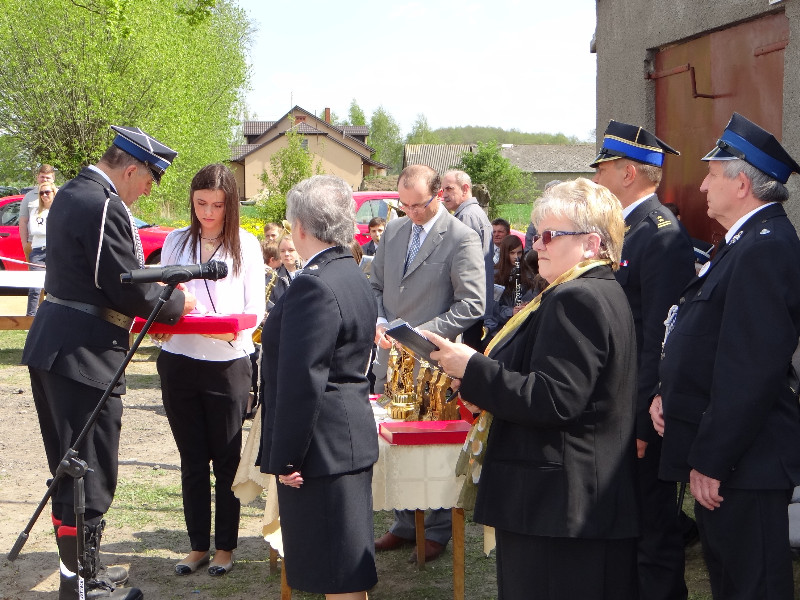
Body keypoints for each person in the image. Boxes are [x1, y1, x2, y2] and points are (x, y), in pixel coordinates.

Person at [427, 178, 639, 600]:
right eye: (537, 234)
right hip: (568, 502)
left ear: (591, 244)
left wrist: (473, 369)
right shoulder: (591, 290)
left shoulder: (576, 298)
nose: (535, 246)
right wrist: (477, 378)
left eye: (549, 235)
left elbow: (553, 399)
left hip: (558, 506)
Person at [22, 125, 196, 600]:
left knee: (71, 468)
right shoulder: (103, 203)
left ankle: (81, 575)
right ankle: (83, 586)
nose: (148, 192)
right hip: (84, 353)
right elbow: (125, 283)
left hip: (60, 345)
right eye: (149, 181)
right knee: (87, 472)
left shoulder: (71, 193)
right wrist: (177, 302)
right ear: (132, 169)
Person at [650, 113, 800, 600]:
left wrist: (712, 461)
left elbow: (749, 371)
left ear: (741, 184)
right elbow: (703, 341)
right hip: (734, 460)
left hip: (744, 463)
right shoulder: (741, 245)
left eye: (712, 174)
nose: (702, 185)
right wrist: (666, 393)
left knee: (753, 586)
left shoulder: (765, 249)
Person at [257, 175, 379, 599]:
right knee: (344, 568)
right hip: (343, 439)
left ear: (299, 227)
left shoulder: (314, 282)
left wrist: (287, 456)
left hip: (320, 449)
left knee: (336, 573)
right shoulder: (350, 271)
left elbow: (303, 379)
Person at [591, 120, 695, 600]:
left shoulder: (660, 234)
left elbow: (660, 336)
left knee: (653, 530)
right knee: (627, 530)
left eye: (604, 169)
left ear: (628, 173)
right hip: (615, 402)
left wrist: (639, 423)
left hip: (641, 410)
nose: (596, 178)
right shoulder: (623, 229)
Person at [153, 164, 265, 578]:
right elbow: (164, 295)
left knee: (227, 460)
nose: (208, 213)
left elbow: (255, 310)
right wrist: (170, 312)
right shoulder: (175, 241)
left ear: (230, 205)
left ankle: (225, 547)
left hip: (227, 365)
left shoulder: (247, 245)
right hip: (179, 361)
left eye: (217, 205)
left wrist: (224, 326)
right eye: (200, 203)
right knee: (192, 459)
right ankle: (198, 544)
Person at [371, 164, 485, 562]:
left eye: (417, 205)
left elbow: (471, 303)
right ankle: (405, 523)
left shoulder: (461, 237)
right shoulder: (393, 231)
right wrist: (380, 320)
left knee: (435, 448)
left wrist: (418, 333)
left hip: (435, 364)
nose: (410, 213)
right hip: (391, 359)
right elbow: (375, 285)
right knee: (397, 442)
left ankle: (436, 529)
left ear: (439, 194)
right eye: (403, 205)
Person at [441, 169, 494, 349]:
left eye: (449, 189)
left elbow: (461, 264)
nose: (444, 195)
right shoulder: (473, 213)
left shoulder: (467, 216)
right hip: (475, 300)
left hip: (467, 304)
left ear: (465, 189)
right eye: (443, 190)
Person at [485, 236, 545, 337]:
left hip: (520, 326)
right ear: (505, 253)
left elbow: (535, 297)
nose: (516, 257)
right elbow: (491, 308)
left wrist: (526, 304)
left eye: (519, 253)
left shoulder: (528, 273)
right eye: (512, 253)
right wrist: (511, 311)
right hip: (498, 328)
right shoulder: (494, 275)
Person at [19, 164, 56, 313]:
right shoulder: (29, 197)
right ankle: (31, 317)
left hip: (55, 248)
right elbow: (23, 221)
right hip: (35, 245)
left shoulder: (61, 196)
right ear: (37, 177)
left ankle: (50, 316)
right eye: (42, 177)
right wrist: (25, 243)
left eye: (48, 177)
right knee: (35, 286)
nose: (44, 195)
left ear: (53, 178)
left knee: (54, 285)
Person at [271, 232, 302, 305]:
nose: (286, 254)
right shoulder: (272, 278)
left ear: (299, 251)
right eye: (282, 251)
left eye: (291, 250)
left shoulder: (310, 273)